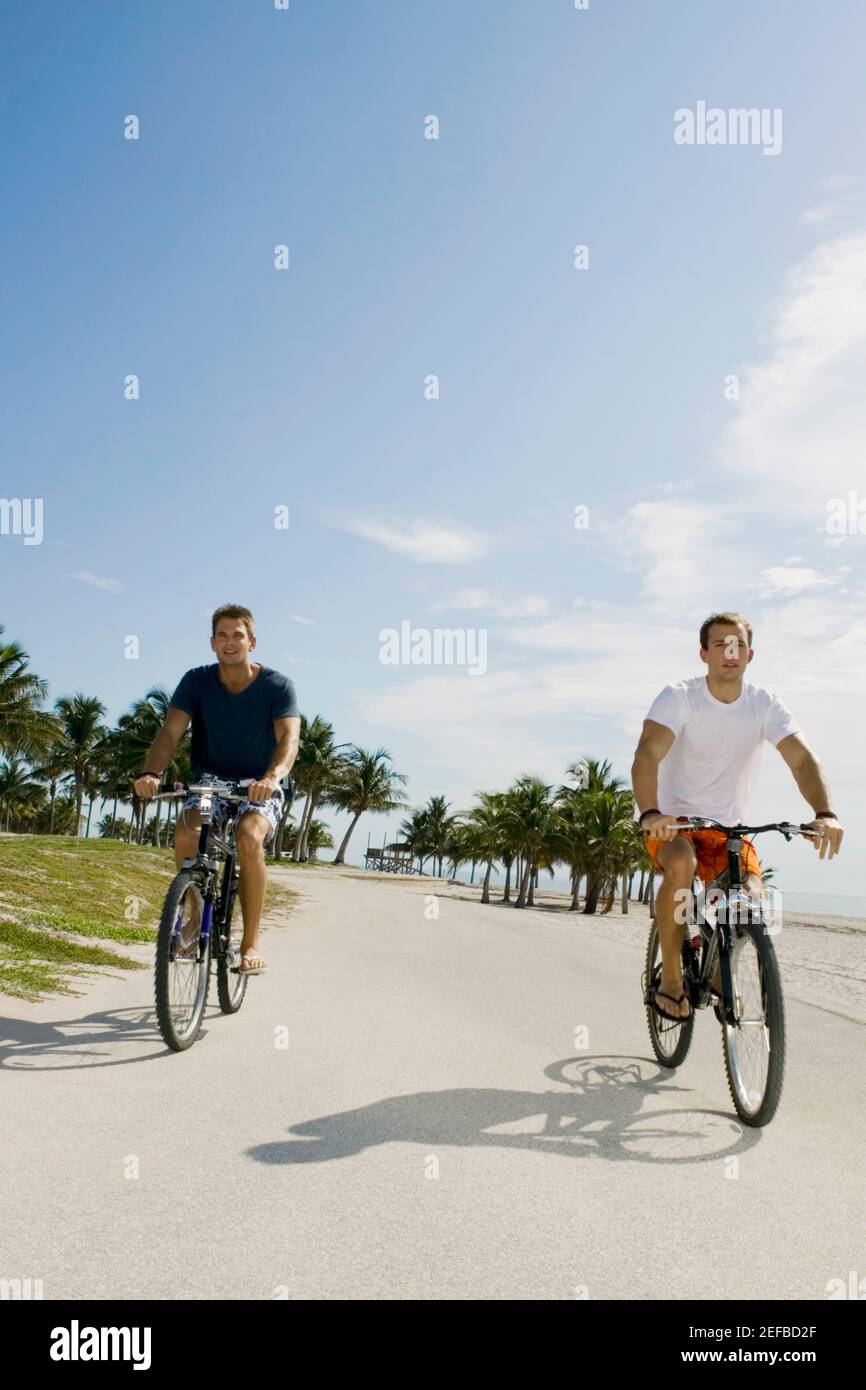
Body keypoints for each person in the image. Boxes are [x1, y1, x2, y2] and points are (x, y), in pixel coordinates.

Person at [631, 612, 843, 1021]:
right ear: (703, 654)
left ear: (750, 654)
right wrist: (652, 811)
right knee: (681, 864)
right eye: (720, 645)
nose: (730, 652)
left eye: (738, 645)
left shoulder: (764, 704)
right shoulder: (679, 697)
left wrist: (824, 813)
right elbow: (647, 753)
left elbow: (801, 761)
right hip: (674, 824)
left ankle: (715, 973)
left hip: (728, 829)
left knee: (750, 896)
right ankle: (672, 979)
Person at [133, 604, 300, 975]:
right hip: (209, 781)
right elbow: (170, 732)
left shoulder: (277, 686)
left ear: (251, 641)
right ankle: (194, 917)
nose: (230, 642)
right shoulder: (196, 681)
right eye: (222, 636)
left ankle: (251, 942)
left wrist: (272, 778)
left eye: (237, 635)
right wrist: (151, 772)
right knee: (188, 831)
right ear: (212, 643)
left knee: (249, 838)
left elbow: (289, 739)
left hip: (259, 784)